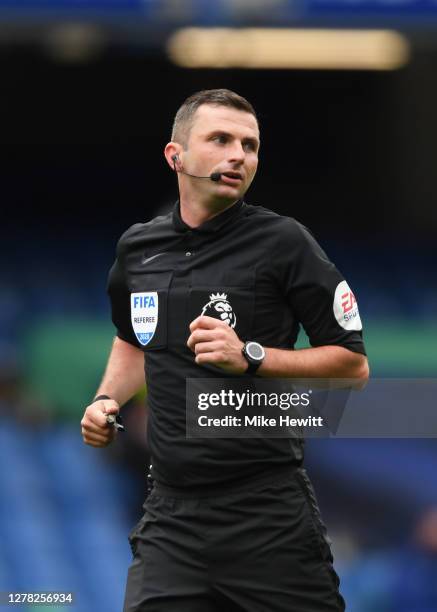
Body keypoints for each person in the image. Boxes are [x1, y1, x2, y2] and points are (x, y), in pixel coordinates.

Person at [81, 88, 369, 612]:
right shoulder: (138, 249)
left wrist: (252, 356)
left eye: (250, 145)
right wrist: (106, 400)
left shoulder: (285, 243)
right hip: (171, 518)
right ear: (177, 156)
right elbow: (131, 339)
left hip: (267, 515)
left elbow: (353, 365)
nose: (239, 154)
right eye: (220, 139)